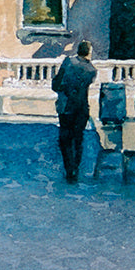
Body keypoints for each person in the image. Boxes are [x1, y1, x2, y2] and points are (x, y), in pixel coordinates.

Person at [52, 40, 97, 183]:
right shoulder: (92, 70)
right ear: (89, 52)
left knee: (65, 139)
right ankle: (75, 169)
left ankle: (69, 169)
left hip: (66, 107)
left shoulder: (68, 62)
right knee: (78, 139)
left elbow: (57, 84)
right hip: (81, 108)